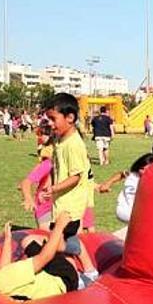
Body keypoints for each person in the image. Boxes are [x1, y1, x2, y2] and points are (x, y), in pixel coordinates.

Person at [42, 93, 92, 260]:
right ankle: (87, 270)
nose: (49, 123)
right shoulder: (59, 140)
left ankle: (79, 267)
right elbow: (56, 168)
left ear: (70, 118)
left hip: (70, 207)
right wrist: (49, 185)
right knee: (63, 241)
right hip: (61, 203)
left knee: (59, 244)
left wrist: (54, 188)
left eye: (53, 118)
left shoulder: (74, 144)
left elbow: (76, 177)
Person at [98, 153, 153, 224]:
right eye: (142, 168)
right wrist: (108, 183)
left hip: (140, 214)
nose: (142, 171)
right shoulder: (133, 174)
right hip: (125, 210)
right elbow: (121, 174)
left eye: (147, 169)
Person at [19, 152, 54, 228]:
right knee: (48, 237)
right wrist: (28, 198)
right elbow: (26, 182)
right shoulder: (48, 164)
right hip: (46, 209)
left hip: (66, 207)